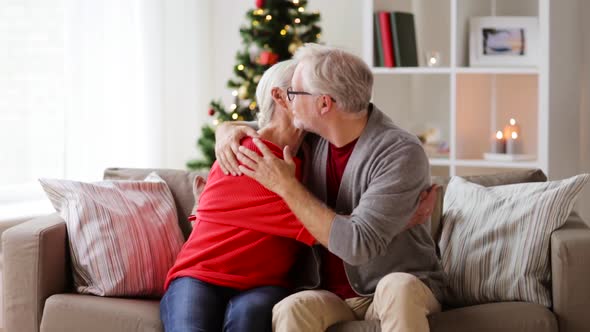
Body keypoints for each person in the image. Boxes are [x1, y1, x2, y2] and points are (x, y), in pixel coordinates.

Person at [216, 43, 445, 332]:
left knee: (396, 287)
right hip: (332, 295)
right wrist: (225, 130)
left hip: (396, 284)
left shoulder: (400, 152)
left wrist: (287, 186)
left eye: (295, 93)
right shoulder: (314, 135)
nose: (288, 100)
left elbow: (357, 245)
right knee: (292, 309)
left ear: (324, 104)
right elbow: (265, 126)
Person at [160, 60, 317, 332]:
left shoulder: (313, 154)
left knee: (248, 321)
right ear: (280, 97)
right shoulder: (241, 152)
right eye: (309, 90)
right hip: (199, 275)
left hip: (263, 285)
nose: (320, 98)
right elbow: (322, 228)